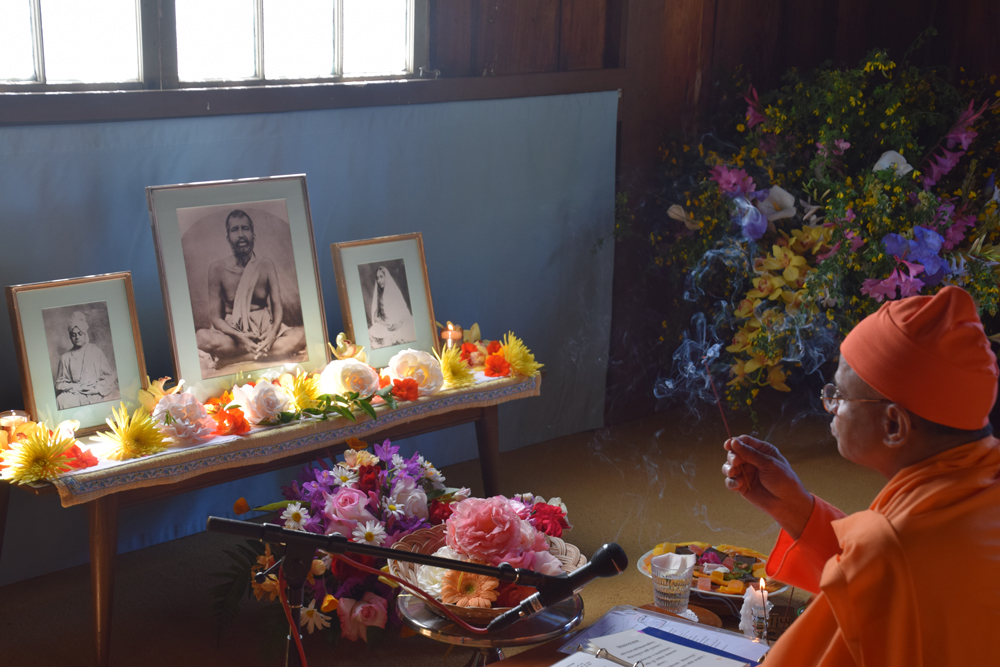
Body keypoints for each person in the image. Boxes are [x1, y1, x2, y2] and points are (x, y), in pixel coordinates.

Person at [722, 285, 1000, 665]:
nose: (830, 406)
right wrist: (796, 510)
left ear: (893, 425)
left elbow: (890, 569)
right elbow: (903, 585)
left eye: (839, 395)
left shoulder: (890, 547)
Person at [195, 209, 305, 368]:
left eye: (245, 228)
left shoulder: (266, 265)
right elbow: (216, 318)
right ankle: (264, 353)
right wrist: (240, 337)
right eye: (235, 229)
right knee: (201, 337)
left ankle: (235, 358)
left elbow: (277, 307)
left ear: (253, 235)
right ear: (228, 237)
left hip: (265, 329)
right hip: (233, 333)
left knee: (301, 335)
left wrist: (272, 335)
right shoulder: (217, 269)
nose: (241, 234)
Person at [55, 311, 117, 408]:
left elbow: (109, 376)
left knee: (113, 397)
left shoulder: (95, 351)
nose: (77, 337)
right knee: (61, 400)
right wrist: (75, 387)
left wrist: (96, 389)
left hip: (94, 391)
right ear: (70, 337)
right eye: (73, 334)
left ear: (85, 334)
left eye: (80, 333)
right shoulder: (65, 358)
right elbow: (60, 383)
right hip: (76, 393)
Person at [367, 265, 415, 349]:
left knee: (409, 330)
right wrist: (385, 324)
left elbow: (404, 313)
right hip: (387, 326)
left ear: (386, 277)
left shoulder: (395, 293)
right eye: (377, 278)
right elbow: (375, 317)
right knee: (371, 331)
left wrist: (399, 324)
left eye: (381, 277)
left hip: (399, 324)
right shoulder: (379, 296)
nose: (379, 280)